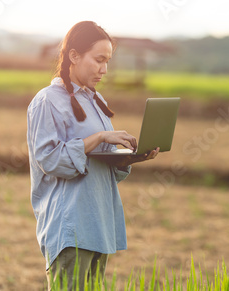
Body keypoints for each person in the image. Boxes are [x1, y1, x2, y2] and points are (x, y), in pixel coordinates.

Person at [26, 21, 159, 290]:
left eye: (107, 61)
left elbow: (100, 164)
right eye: (99, 60)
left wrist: (130, 156)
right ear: (74, 55)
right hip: (70, 226)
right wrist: (98, 138)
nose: (104, 69)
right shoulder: (47, 101)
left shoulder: (96, 102)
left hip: (98, 222)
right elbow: (50, 159)